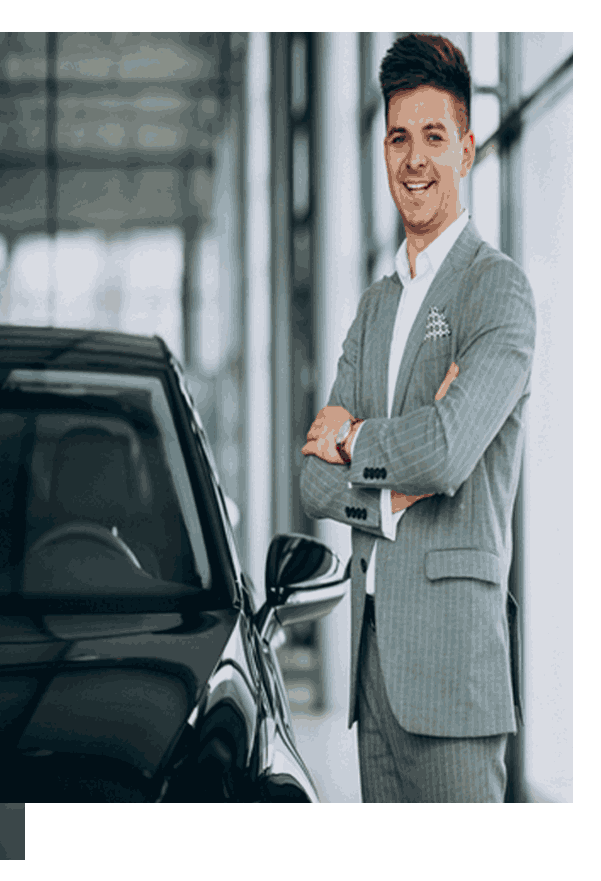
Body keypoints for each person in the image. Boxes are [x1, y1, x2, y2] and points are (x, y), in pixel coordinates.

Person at [299, 33, 531, 802]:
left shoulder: (496, 292)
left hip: (455, 681)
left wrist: (355, 437)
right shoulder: (374, 305)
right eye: (399, 137)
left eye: (434, 137)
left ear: (466, 149)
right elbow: (311, 481)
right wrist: (396, 489)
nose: (414, 159)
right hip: (375, 684)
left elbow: (446, 452)